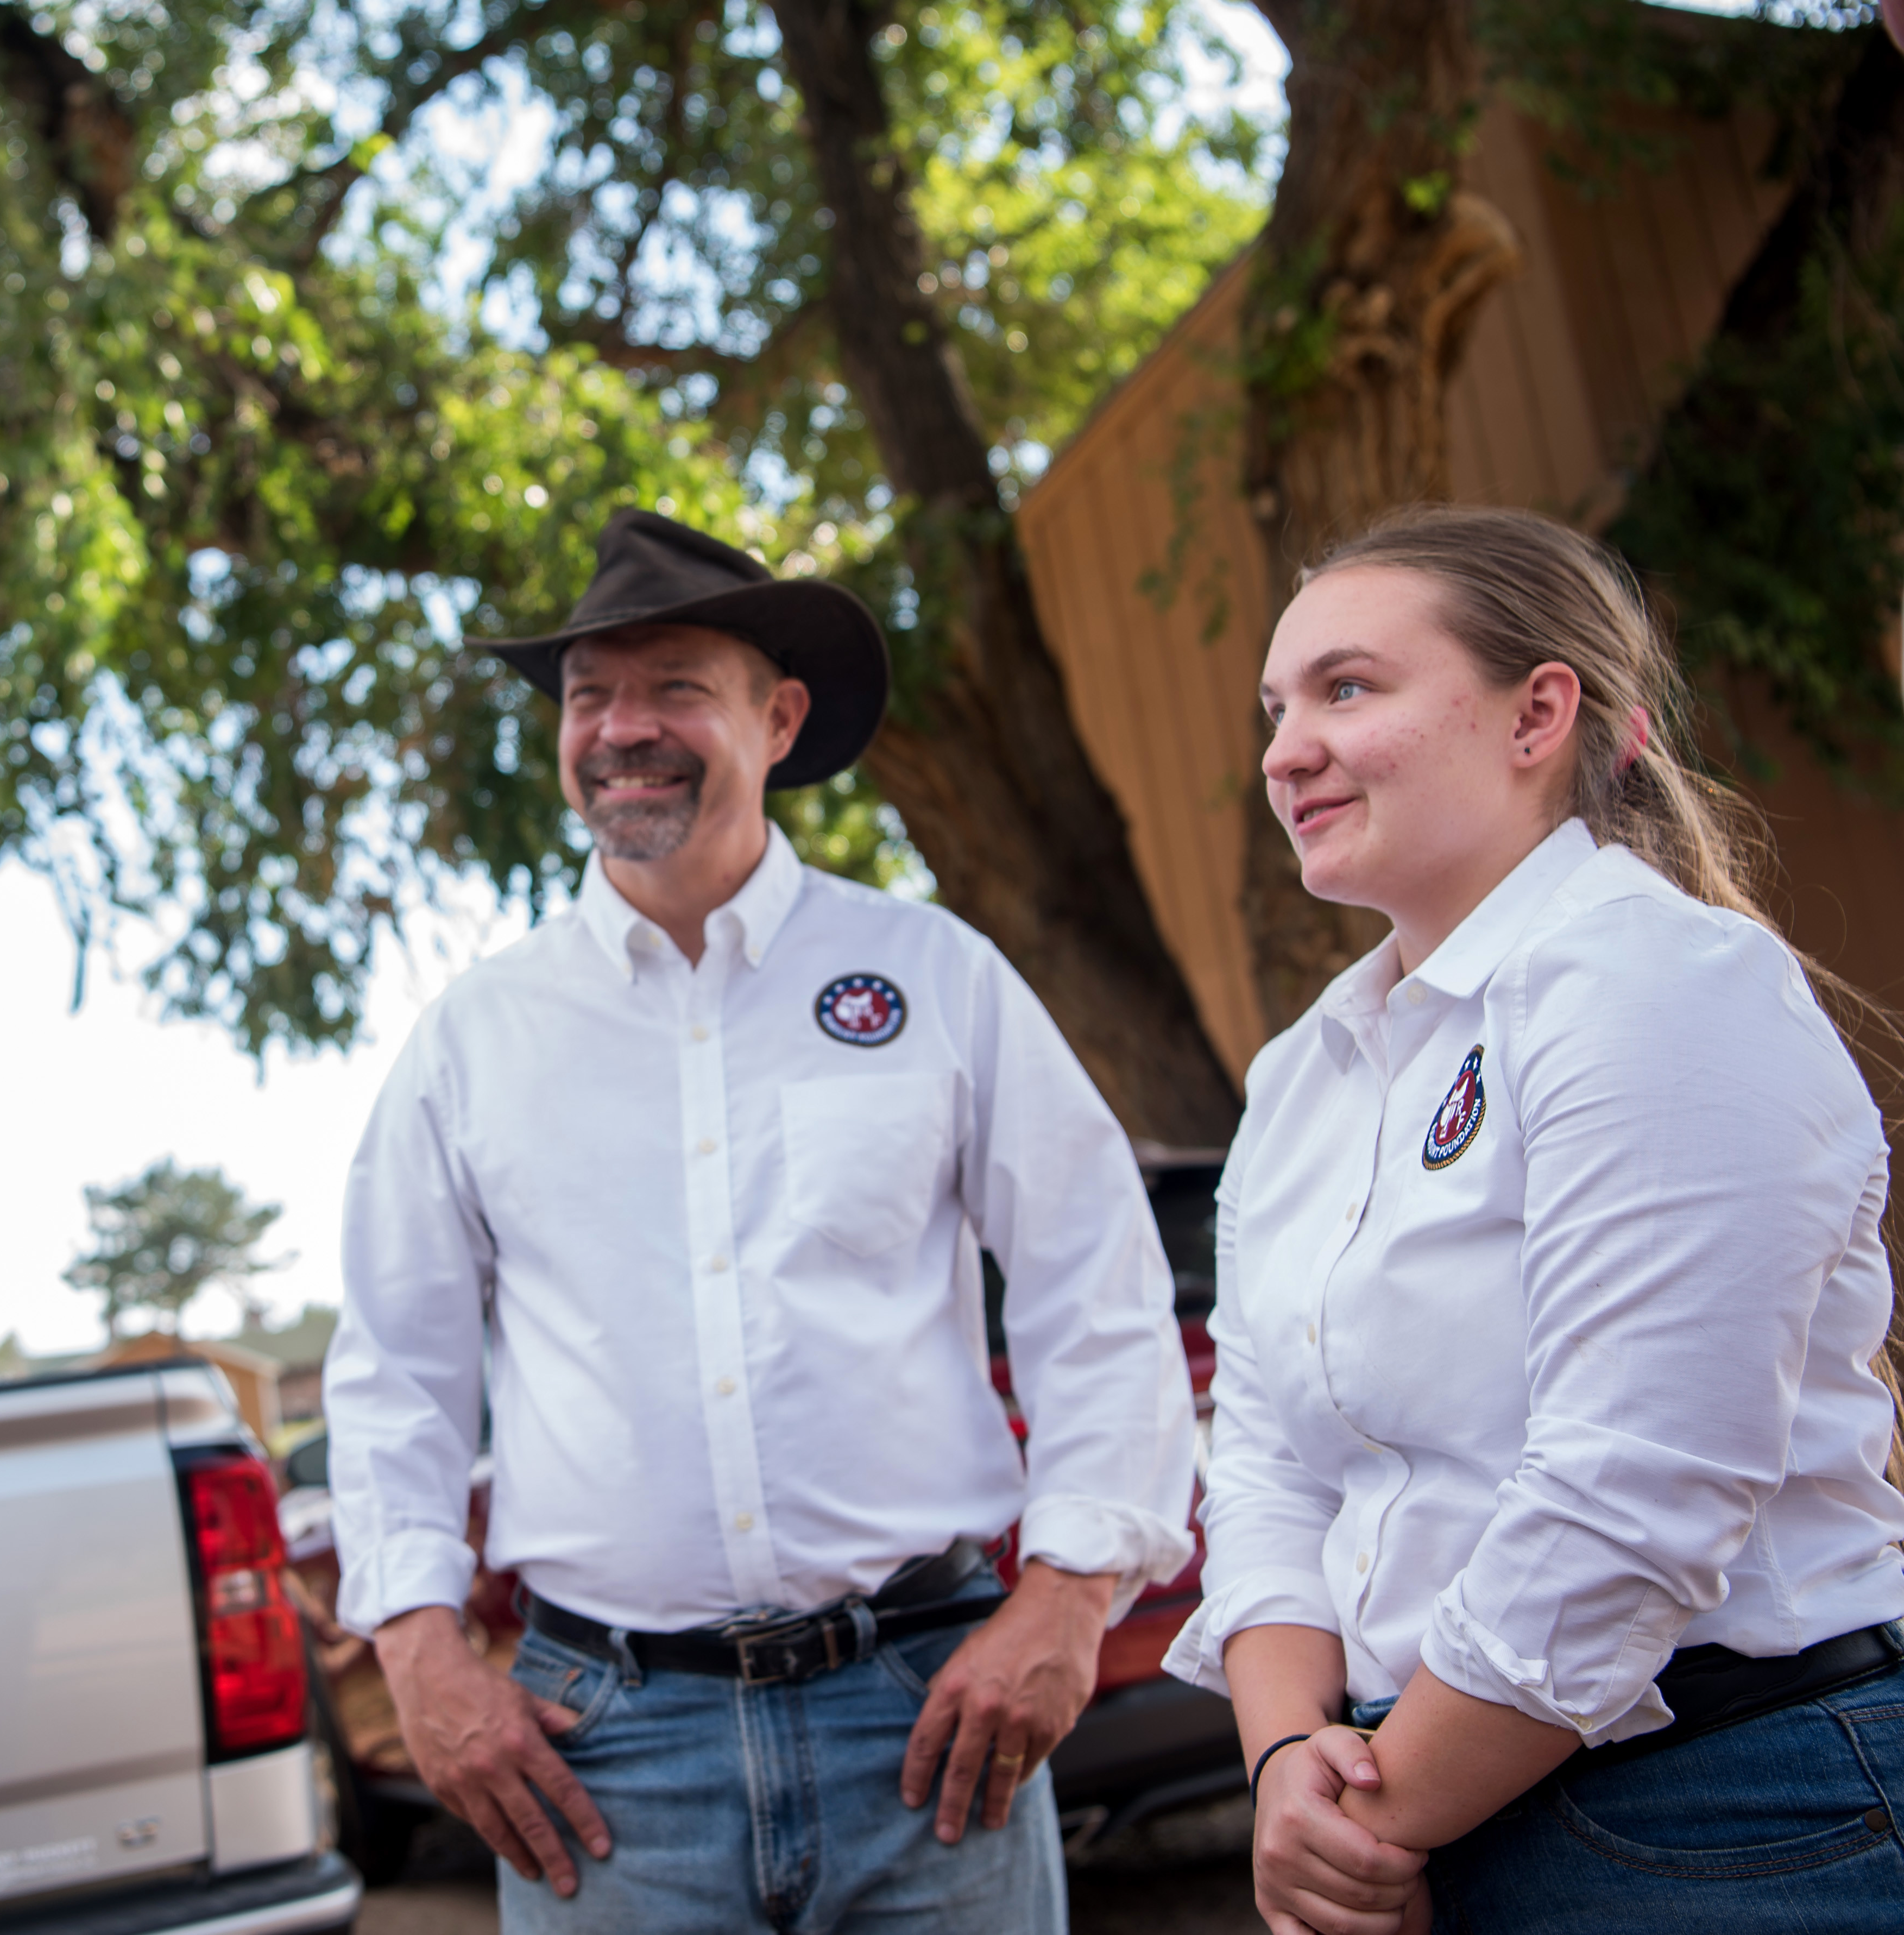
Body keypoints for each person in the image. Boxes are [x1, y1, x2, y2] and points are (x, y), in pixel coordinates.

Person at [324, 509, 1197, 1933]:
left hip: (929, 1725)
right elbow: (395, 1372)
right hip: (604, 1759)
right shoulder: (475, 1038)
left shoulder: (935, 978)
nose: (622, 728)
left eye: (676, 687)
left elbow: (1095, 1285)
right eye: (590, 693)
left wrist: (1069, 1599)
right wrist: (421, 1652)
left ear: (779, 717)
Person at [1164, 505, 1904, 1935]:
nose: (1284, 751)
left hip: (1733, 1814)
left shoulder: (1660, 983)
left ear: (1538, 713)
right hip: (1427, 1802)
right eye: (1275, 708)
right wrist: (1284, 1763)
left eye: (1347, 688)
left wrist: (1368, 1819)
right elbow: (1260, 1467)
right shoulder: (1307, 1073)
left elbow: (1634, 1490)